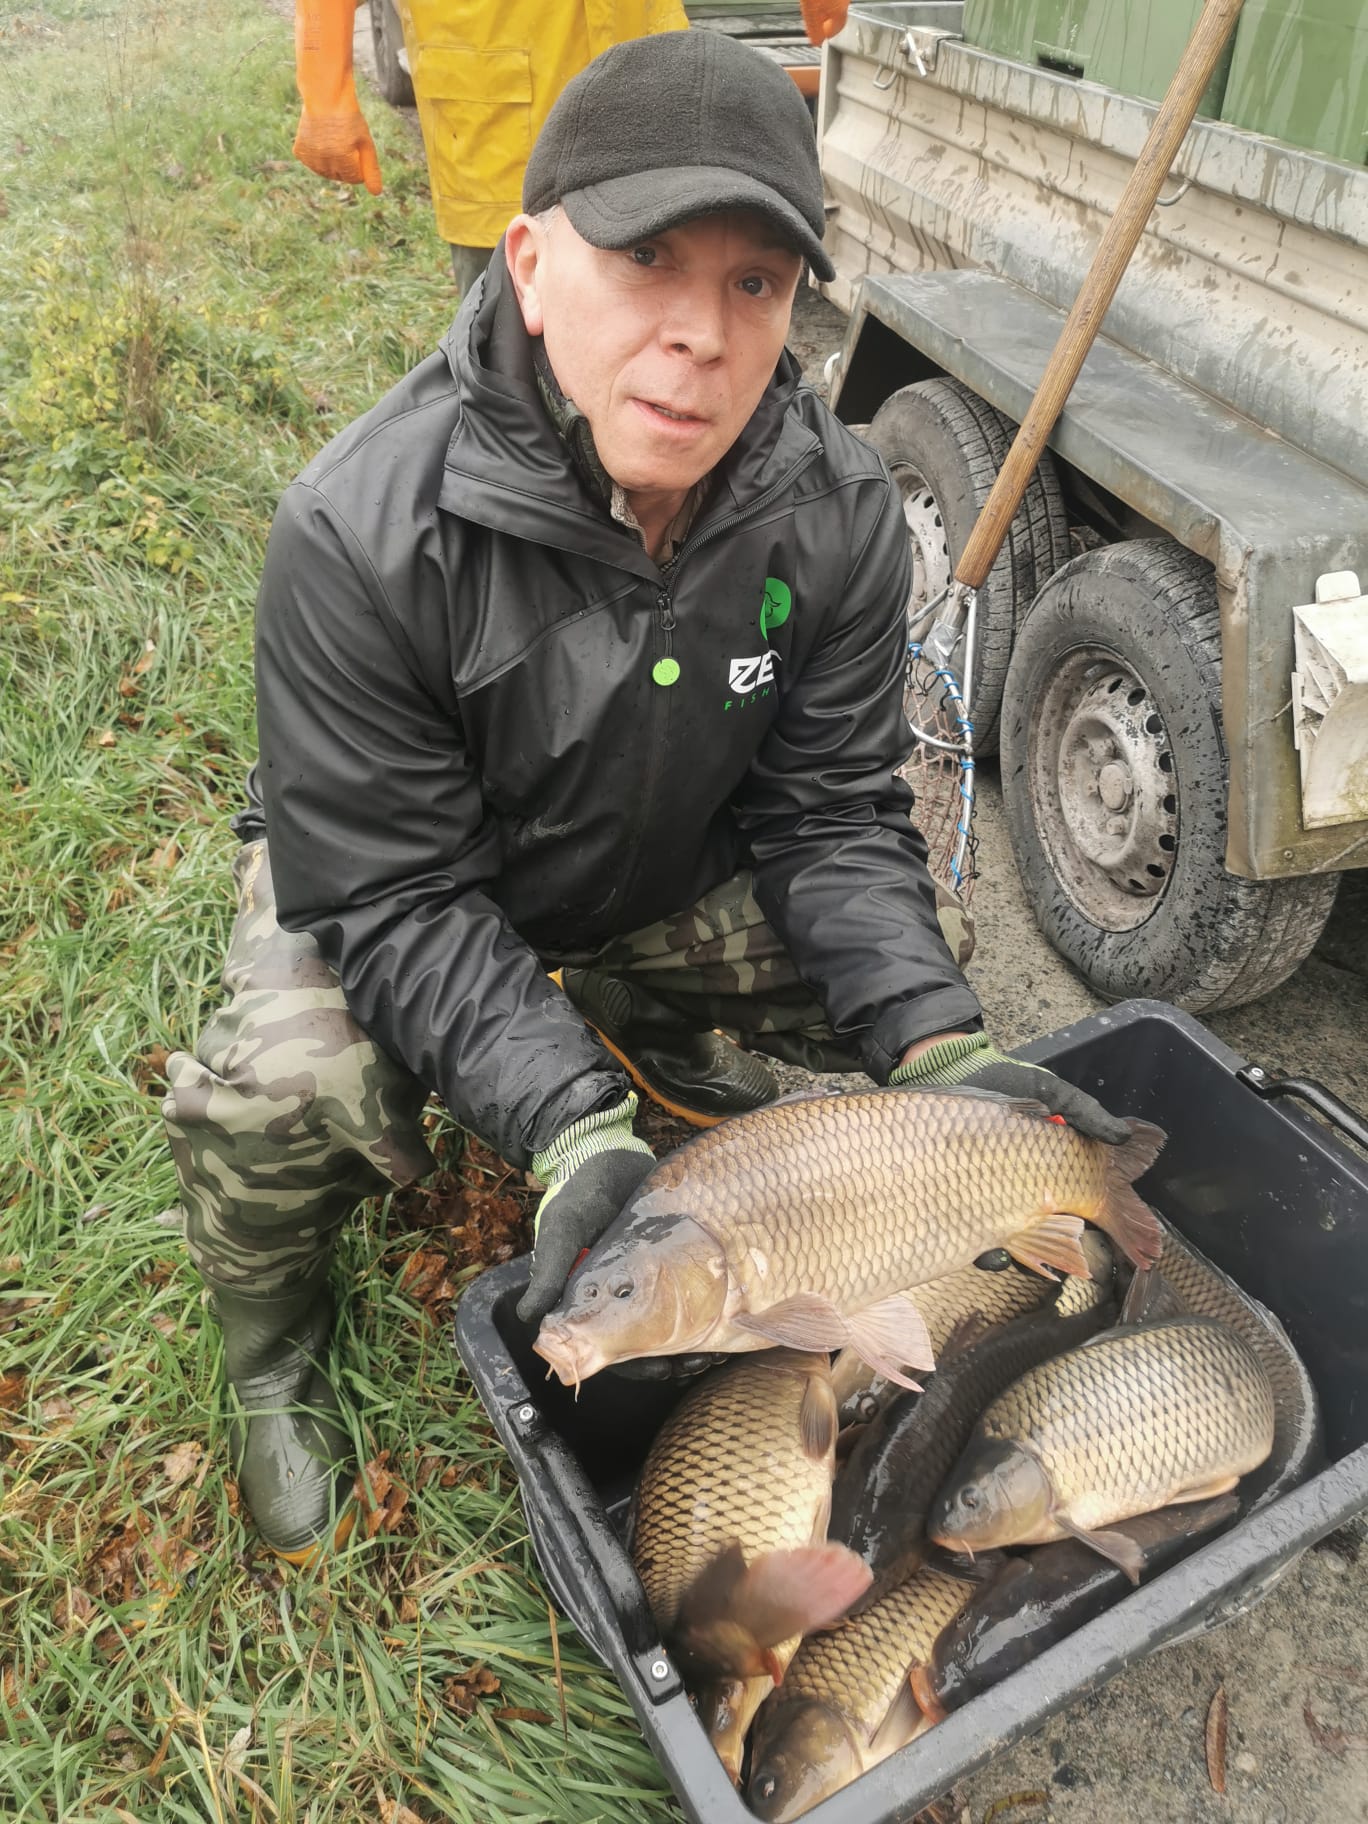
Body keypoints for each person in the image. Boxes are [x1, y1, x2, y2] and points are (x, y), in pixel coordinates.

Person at [165, 29, 1129, 1565]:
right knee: (278, 1084)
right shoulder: (358, 531)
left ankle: (667, 1056)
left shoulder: (836, 509)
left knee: (907, 993)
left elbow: (830, 815)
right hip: (423, 884)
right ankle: (271, 1349)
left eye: (755, 282)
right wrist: (564, 1122)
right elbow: (396, 893)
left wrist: (938, 1043)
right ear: (533, 266)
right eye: (647, 262)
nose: (700, 336)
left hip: (666, 865)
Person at [291, 0, 687, 294]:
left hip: (644, 85)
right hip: (497, 124)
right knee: (505, 339)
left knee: (655, 310)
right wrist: (326, 94)